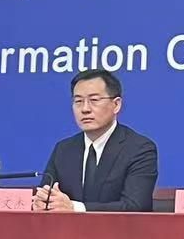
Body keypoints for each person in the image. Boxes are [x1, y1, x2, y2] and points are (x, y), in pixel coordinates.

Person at [33, 69, 158, 212]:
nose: (85, 109)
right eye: (78, 101)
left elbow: (135, 206)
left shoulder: (139, 149)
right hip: (65, 227)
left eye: (94, 100)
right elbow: (47, 194)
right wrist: (43, 203)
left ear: (116, 105)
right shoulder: (63, 149)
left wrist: (75, 208)